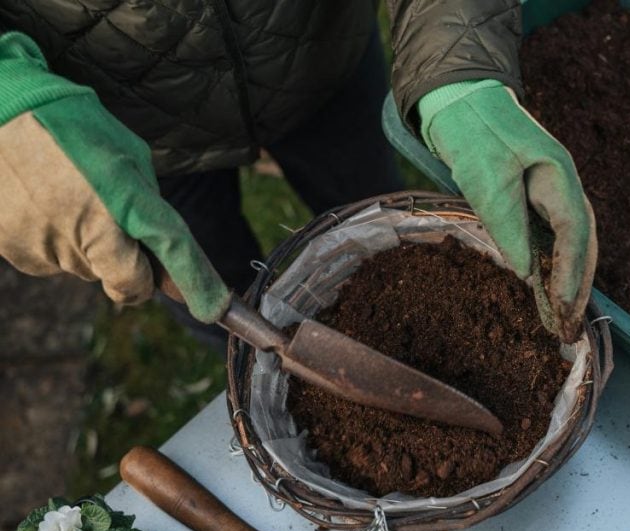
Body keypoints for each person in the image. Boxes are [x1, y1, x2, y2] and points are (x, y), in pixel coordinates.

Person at [0, 0, 596, 347]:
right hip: (121, 133)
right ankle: (254, 353)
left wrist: (456, 58)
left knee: (384, 225)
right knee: (210, 288)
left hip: (318, 62)